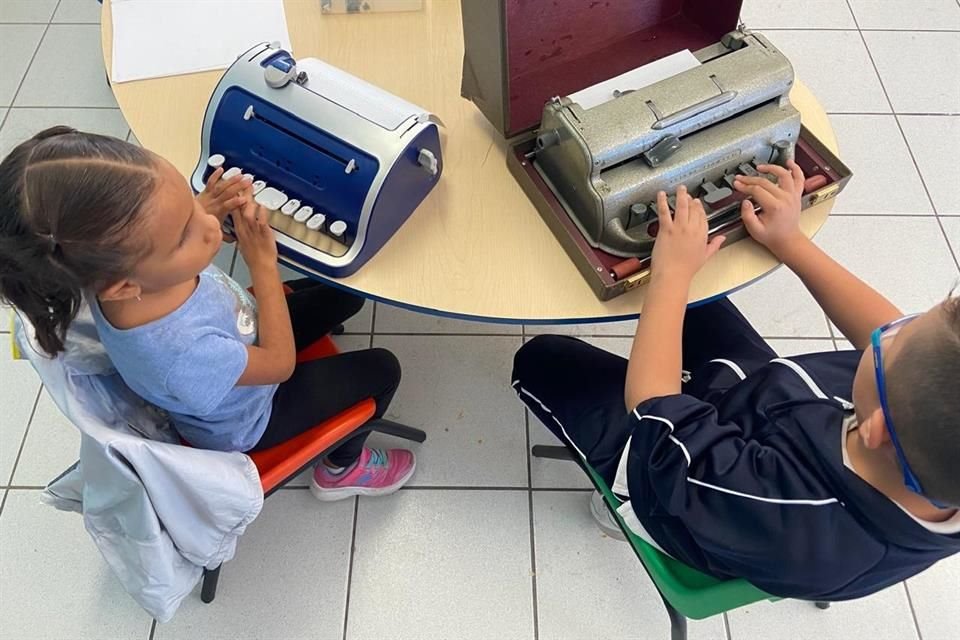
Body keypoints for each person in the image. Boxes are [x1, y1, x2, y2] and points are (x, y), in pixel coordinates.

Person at [512, 161, 960, 600]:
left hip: (673, 480)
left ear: (875, 427)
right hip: (755, 404)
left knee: (540, 359)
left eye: (893, 340)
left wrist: (671, 275)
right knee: (700, 295)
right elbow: (884, 334)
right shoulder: (922, 438)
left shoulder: (780, 513)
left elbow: (654, 409)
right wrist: (791, 242)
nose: (888, 329)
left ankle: (619, 512)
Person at [0, 126, 416, 501]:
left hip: (237, 336)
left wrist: (200, 208)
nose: (211, 227)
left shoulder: (112, 277)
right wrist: (263, 264)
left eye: (188, 202)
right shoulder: (180, 354)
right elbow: (279, 365)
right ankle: (342, 469)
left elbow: (159, 236)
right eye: (184, 233)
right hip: (252, 417)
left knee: (347, 295)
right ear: (125, 284)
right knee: (384, 368)